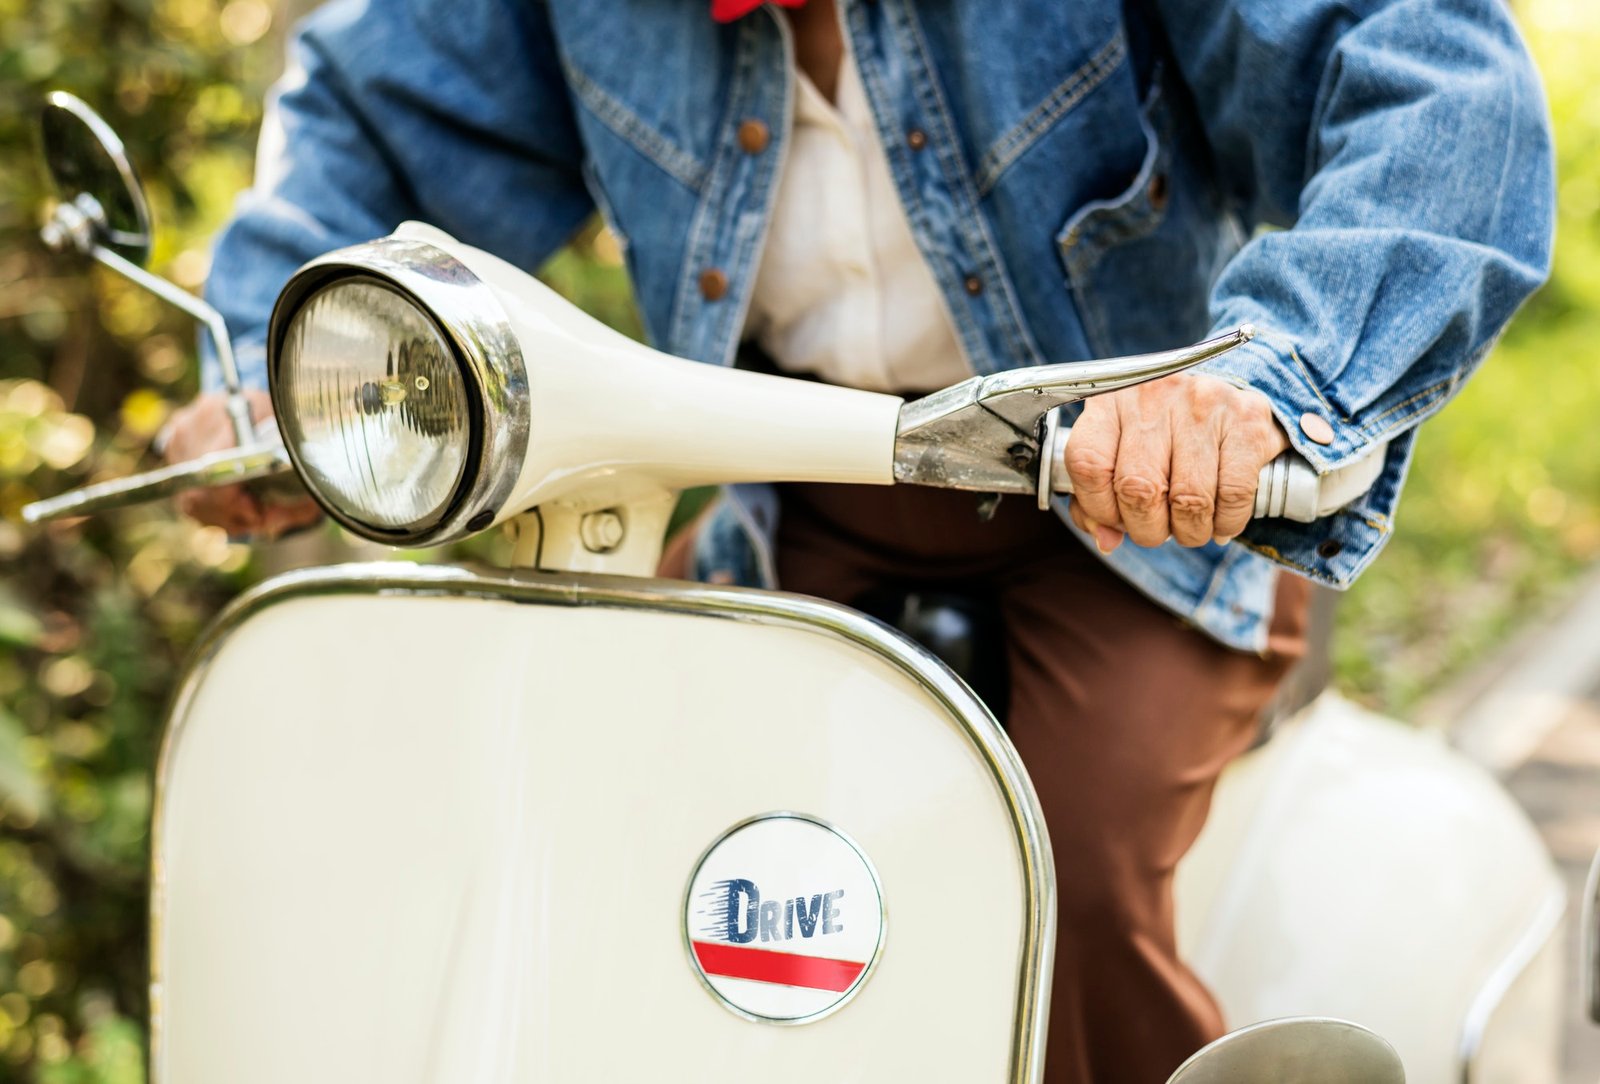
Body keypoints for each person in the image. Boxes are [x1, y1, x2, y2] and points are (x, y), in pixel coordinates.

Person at [162, 0, 1554, 1079]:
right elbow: (373, 115)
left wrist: (1272, 386)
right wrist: (264, 371)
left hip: (1147, 509)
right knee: (619, 821)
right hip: (794, 494)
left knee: (1055, 866)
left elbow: (1440, 95)